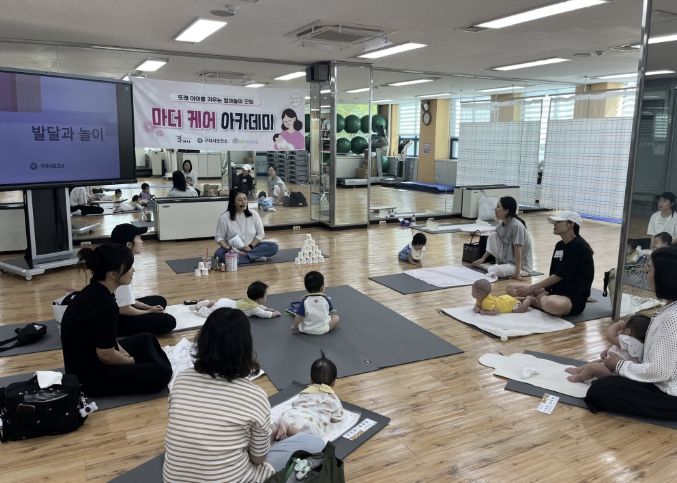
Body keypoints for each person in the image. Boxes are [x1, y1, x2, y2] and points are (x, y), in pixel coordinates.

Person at [163, 308, 325, 482]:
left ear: (202, 340)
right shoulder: (254, 396)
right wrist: (271, 432)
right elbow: (258, 459)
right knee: (314, 442)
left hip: (173, 478)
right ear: (245, 348)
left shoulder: (181, 379)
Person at [60, 243, 172, 397]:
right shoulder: (103, 304)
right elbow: (106, 355)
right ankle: (155, 363)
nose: (133, 270)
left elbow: (108, 338)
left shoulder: (98, 290)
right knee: (163, 373)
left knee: (147, 338)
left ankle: (152, 361)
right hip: (89, 378)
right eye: (129, 267)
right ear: (113, 274)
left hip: (91, 357)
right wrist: (131, 361)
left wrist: (123, 353)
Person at [584, 247, 677, 421]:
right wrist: (624, 354)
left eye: (650, 269)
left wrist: (619, 364)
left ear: (664, 276)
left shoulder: (672, 317)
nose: (646, 272)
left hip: (669, 394)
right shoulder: (670, 309)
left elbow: (660, 372)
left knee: (599, 390)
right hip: (662, 382)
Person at [507, 210, 594, 316]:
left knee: (552, 304)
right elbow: (553, 273)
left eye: (559, 222)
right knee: (510, 288)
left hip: (572, 297)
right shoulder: (560, 245)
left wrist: (532, 289)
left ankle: (533, 300)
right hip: (554, 290)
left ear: (571, 224)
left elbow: (559, 275)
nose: (554, 224)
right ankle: (538, 299)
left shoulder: (579, 246)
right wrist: (546, 290)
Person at [110, 223, 176, 336]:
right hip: (116, 320)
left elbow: (128, 300)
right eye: (139, 238)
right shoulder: (122, 268)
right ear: (129, 244)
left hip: (117, 308)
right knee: (169, 321)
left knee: (160, 301)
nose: (142, 241)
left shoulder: (121, 260)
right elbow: (123, 309)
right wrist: (148, 312)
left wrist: (149, 307)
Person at [275, 351, 344, 439]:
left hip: (290, 415)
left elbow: (296, 404)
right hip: (309, 423)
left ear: (310, 379)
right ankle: (290, 431)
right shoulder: (333, 399)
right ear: (334, 382)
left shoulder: (305, 392)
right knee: (308, 437)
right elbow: (337, 417)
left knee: (276, 427)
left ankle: (277, 431)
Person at [566, 314, 650, 382]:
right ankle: (578, 370)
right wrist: (608, 351)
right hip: (619, 372)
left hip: (615, 375)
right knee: (597, 362)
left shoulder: (629, 340)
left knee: (594, 367)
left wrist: (618, 325)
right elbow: (621, 351)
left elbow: (609, 336)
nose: (620, 331)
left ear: (628, 332)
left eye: (622, 329)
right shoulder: (640, 346)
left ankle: (579, 377)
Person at [472, 196, 533, 279]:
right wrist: (483, 258)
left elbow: (518, 250)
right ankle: (494, 265)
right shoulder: (501, 225)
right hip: (508, 262)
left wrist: (517, 273)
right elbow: (493, 241)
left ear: (506, 211)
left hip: (521, 267)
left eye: (498, 207)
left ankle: (487, 267)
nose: (495, 209)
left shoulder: (517, 226)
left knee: (496, 270)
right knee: (493, 235)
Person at [214, 189, 279, 264]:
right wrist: (229, 249)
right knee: (218, 255)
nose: (244, 202)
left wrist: (250, 246)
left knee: (273, 247)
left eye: (245, 199)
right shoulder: (224, 218)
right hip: (233, 249)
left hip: (251, 247)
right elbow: (219, 238)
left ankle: (244, 257)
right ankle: (254, 257)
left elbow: (261, 234)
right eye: (240, 200)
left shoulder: (254, 214)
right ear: (233, 202)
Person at [192, 280, 281, 319]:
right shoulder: (253, 308)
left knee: (216, 303)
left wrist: (266, 308)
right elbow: (263, 314)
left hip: (226, 301)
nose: (266, 296)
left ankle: (208, 302)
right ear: (259, 299)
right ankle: (199, 308)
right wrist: (274, 314)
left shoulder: (249, 300)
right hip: (226, 309)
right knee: (209, 313)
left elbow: (259, 306)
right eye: (265, 295)